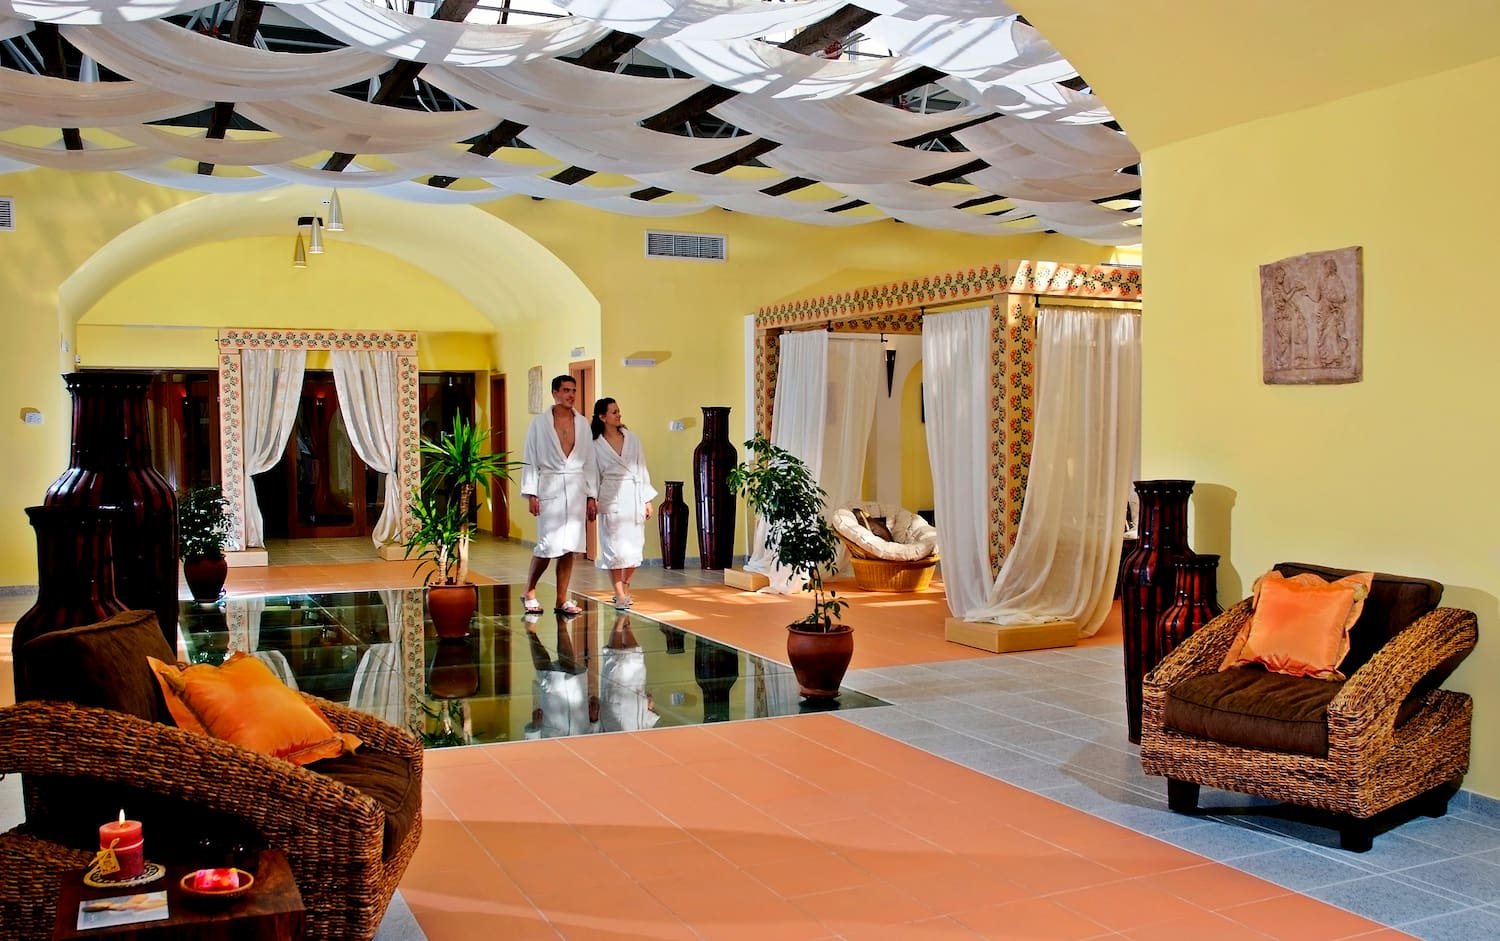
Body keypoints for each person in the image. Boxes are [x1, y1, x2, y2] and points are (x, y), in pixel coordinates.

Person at [520, 375, 596, 615]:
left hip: (575, 487)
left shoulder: (583, 423)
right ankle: (529, 591)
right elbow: (530, 458)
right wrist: (532, 492)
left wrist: (592, 496)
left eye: (573, 390)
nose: (571, 394)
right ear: (554, 393)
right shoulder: (539, 424)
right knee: (547, 545)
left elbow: (590, 462)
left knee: (570, 547)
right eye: (566, 390)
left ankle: (562, 599)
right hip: (549, 486)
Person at [589, 397, 657, 609]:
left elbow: (642, 467)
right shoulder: (595, 444)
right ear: (602, 417)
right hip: (610, 496)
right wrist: (592, 498)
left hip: (634, 494)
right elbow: (591, 474)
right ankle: (619, 594)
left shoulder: (632, 438)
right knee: (614, 548)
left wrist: (647, 499)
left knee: (634, 549)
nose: (619, 415)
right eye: (614, 412)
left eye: (619, 411)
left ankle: (625, 585)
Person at [599, 613, 660, 733]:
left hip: (615, 696)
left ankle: (620, 614)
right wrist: (651, 705)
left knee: (615, 657)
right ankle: (623, 611)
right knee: (635, 654)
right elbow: (651, 715)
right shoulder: (643, 737)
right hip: (637, 689)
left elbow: (596, 727)